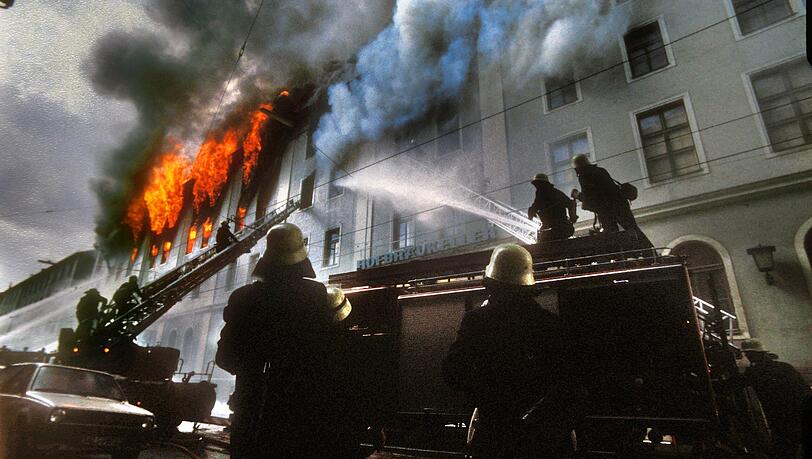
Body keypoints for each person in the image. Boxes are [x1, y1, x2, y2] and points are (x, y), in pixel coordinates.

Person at [216, 223, 357, 457]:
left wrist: (256, 366)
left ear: (267, 256)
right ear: (301, 254)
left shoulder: (242, 298)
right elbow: (334, 361)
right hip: (302, 419)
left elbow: (225, 358)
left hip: (252, 419)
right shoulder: (317, 296)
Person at [443, 243, 573, 457]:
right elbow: (569, 382)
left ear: (491, 284)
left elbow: (453, 373)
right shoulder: (550, 324)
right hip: (543, 439)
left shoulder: (476, 322)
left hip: (495, 435)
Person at [571, 154, 653, 248]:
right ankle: (651, 252)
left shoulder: (584, 175)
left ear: (576, 166)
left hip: (606, 210)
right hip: (621, 204)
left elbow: (591, 198)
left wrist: (578, 195)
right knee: (633, 229)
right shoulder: (600, 170)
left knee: (612, 235)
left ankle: (620, 257)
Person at [527, 173, 577, 242]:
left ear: (544, 184)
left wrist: (572, 217)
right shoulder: (540, 195)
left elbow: (570, 204)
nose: (537, 187)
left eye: (539, 184)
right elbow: (535, 205)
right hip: (549, 227)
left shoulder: (555, 193)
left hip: (560, 227)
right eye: (536, 184)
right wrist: (531, 210)